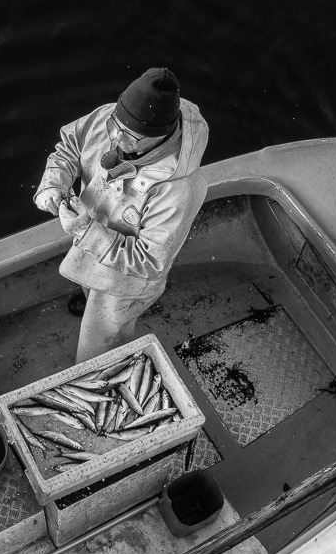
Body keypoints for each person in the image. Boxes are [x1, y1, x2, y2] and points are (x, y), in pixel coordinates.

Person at [33, 67, 209, 363]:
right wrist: (53, 184)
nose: (115, 139)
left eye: (130, 136)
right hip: (90, 244)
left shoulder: (178, 192)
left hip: (125, 282)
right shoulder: (112, 120)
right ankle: (90, 297)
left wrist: (85, 232)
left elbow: (149, 262)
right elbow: (70, 147)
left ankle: (103, 362)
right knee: (90, 290)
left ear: (159, 136)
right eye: (115, 127)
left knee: (98, 350)